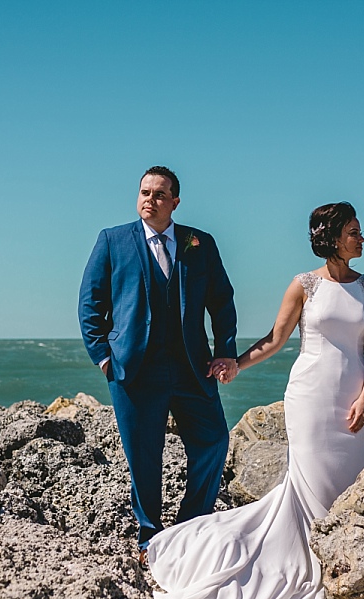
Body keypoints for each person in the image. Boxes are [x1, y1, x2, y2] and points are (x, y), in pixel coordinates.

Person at [147, 201, 364, 599]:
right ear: (333, 237)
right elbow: (276, 339)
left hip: (353, 398)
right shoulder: (304, 285)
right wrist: (236, 363)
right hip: (309, 397)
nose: (362, 237)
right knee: (308, 482)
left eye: (359, 230)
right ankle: (313, 562)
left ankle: (339, 559)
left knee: (345, 484)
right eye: (354, 231)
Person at [78, 166, 240, 564]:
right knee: (144, 456)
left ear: (175, 202)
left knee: (214, 440)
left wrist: (226, 350)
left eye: (159, 194)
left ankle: (191, 524)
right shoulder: (112, 241)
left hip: (191, 367)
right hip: (134, 370)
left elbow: (221, 300)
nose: (149, 200)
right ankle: (149, 535)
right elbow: (90, 303)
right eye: (144, 193)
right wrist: (103, 358)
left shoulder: (199, 243)